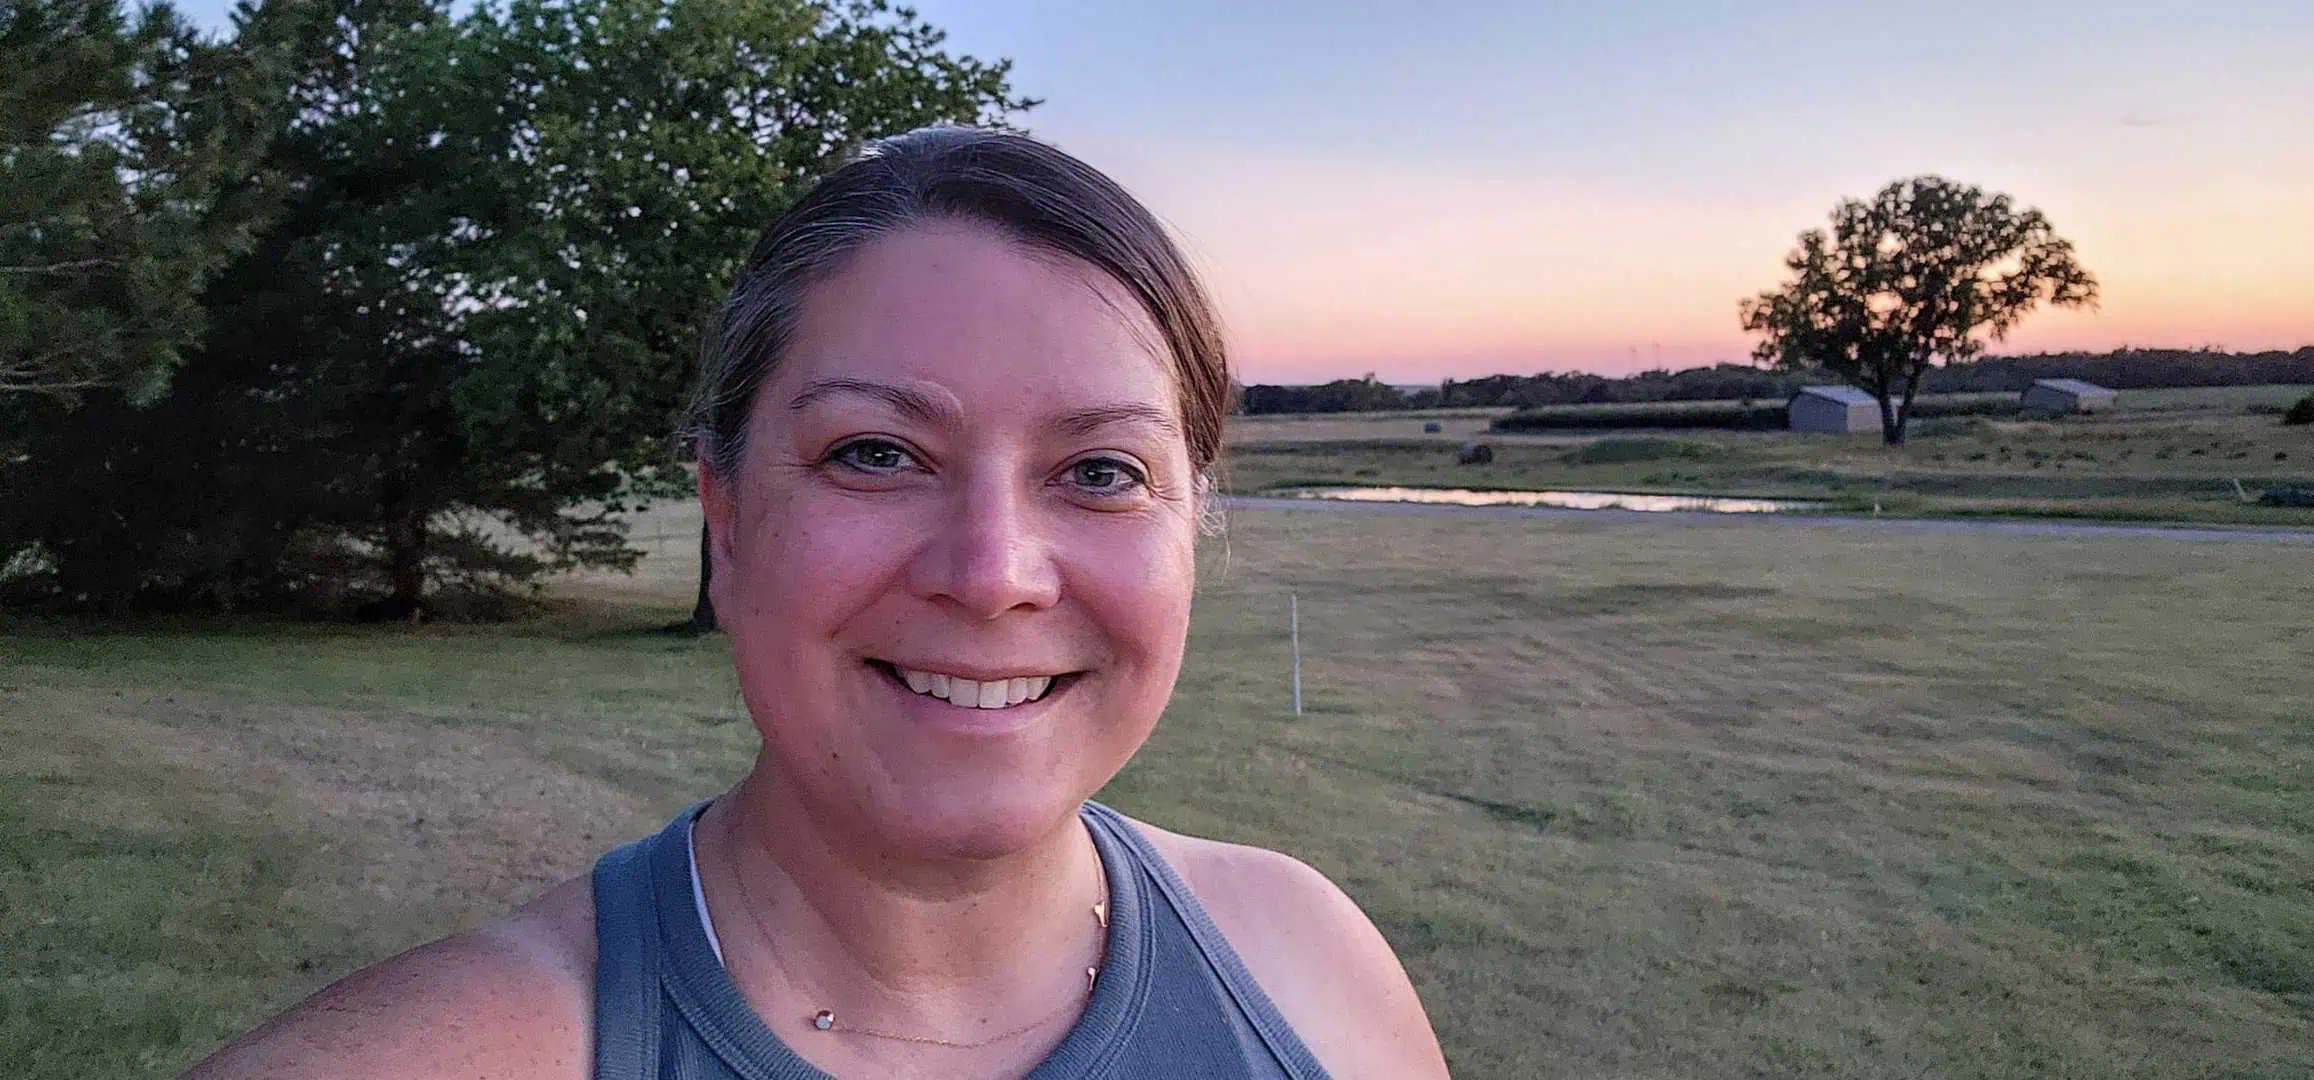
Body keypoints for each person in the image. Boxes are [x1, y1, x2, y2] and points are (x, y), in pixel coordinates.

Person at [184, 126, 1450, 1080]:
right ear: (726, 520)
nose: (992, 573)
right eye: (875, 453)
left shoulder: (1310, 967)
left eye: (1102, 472)